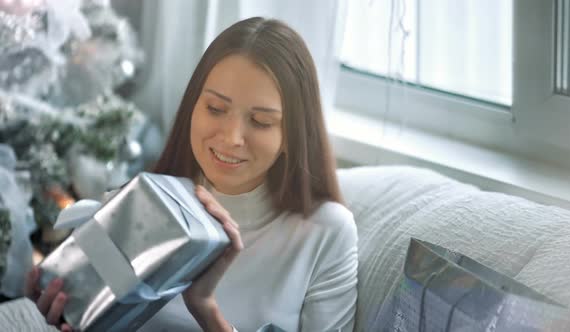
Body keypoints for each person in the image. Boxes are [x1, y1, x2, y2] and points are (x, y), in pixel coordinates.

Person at [24, 17, 358, 331]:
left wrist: (206, 309)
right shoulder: (144, 201)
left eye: (260, 121)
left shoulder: (326, 233)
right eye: (215, 108)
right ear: (193, 107)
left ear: (293, 136)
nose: (231, 138)